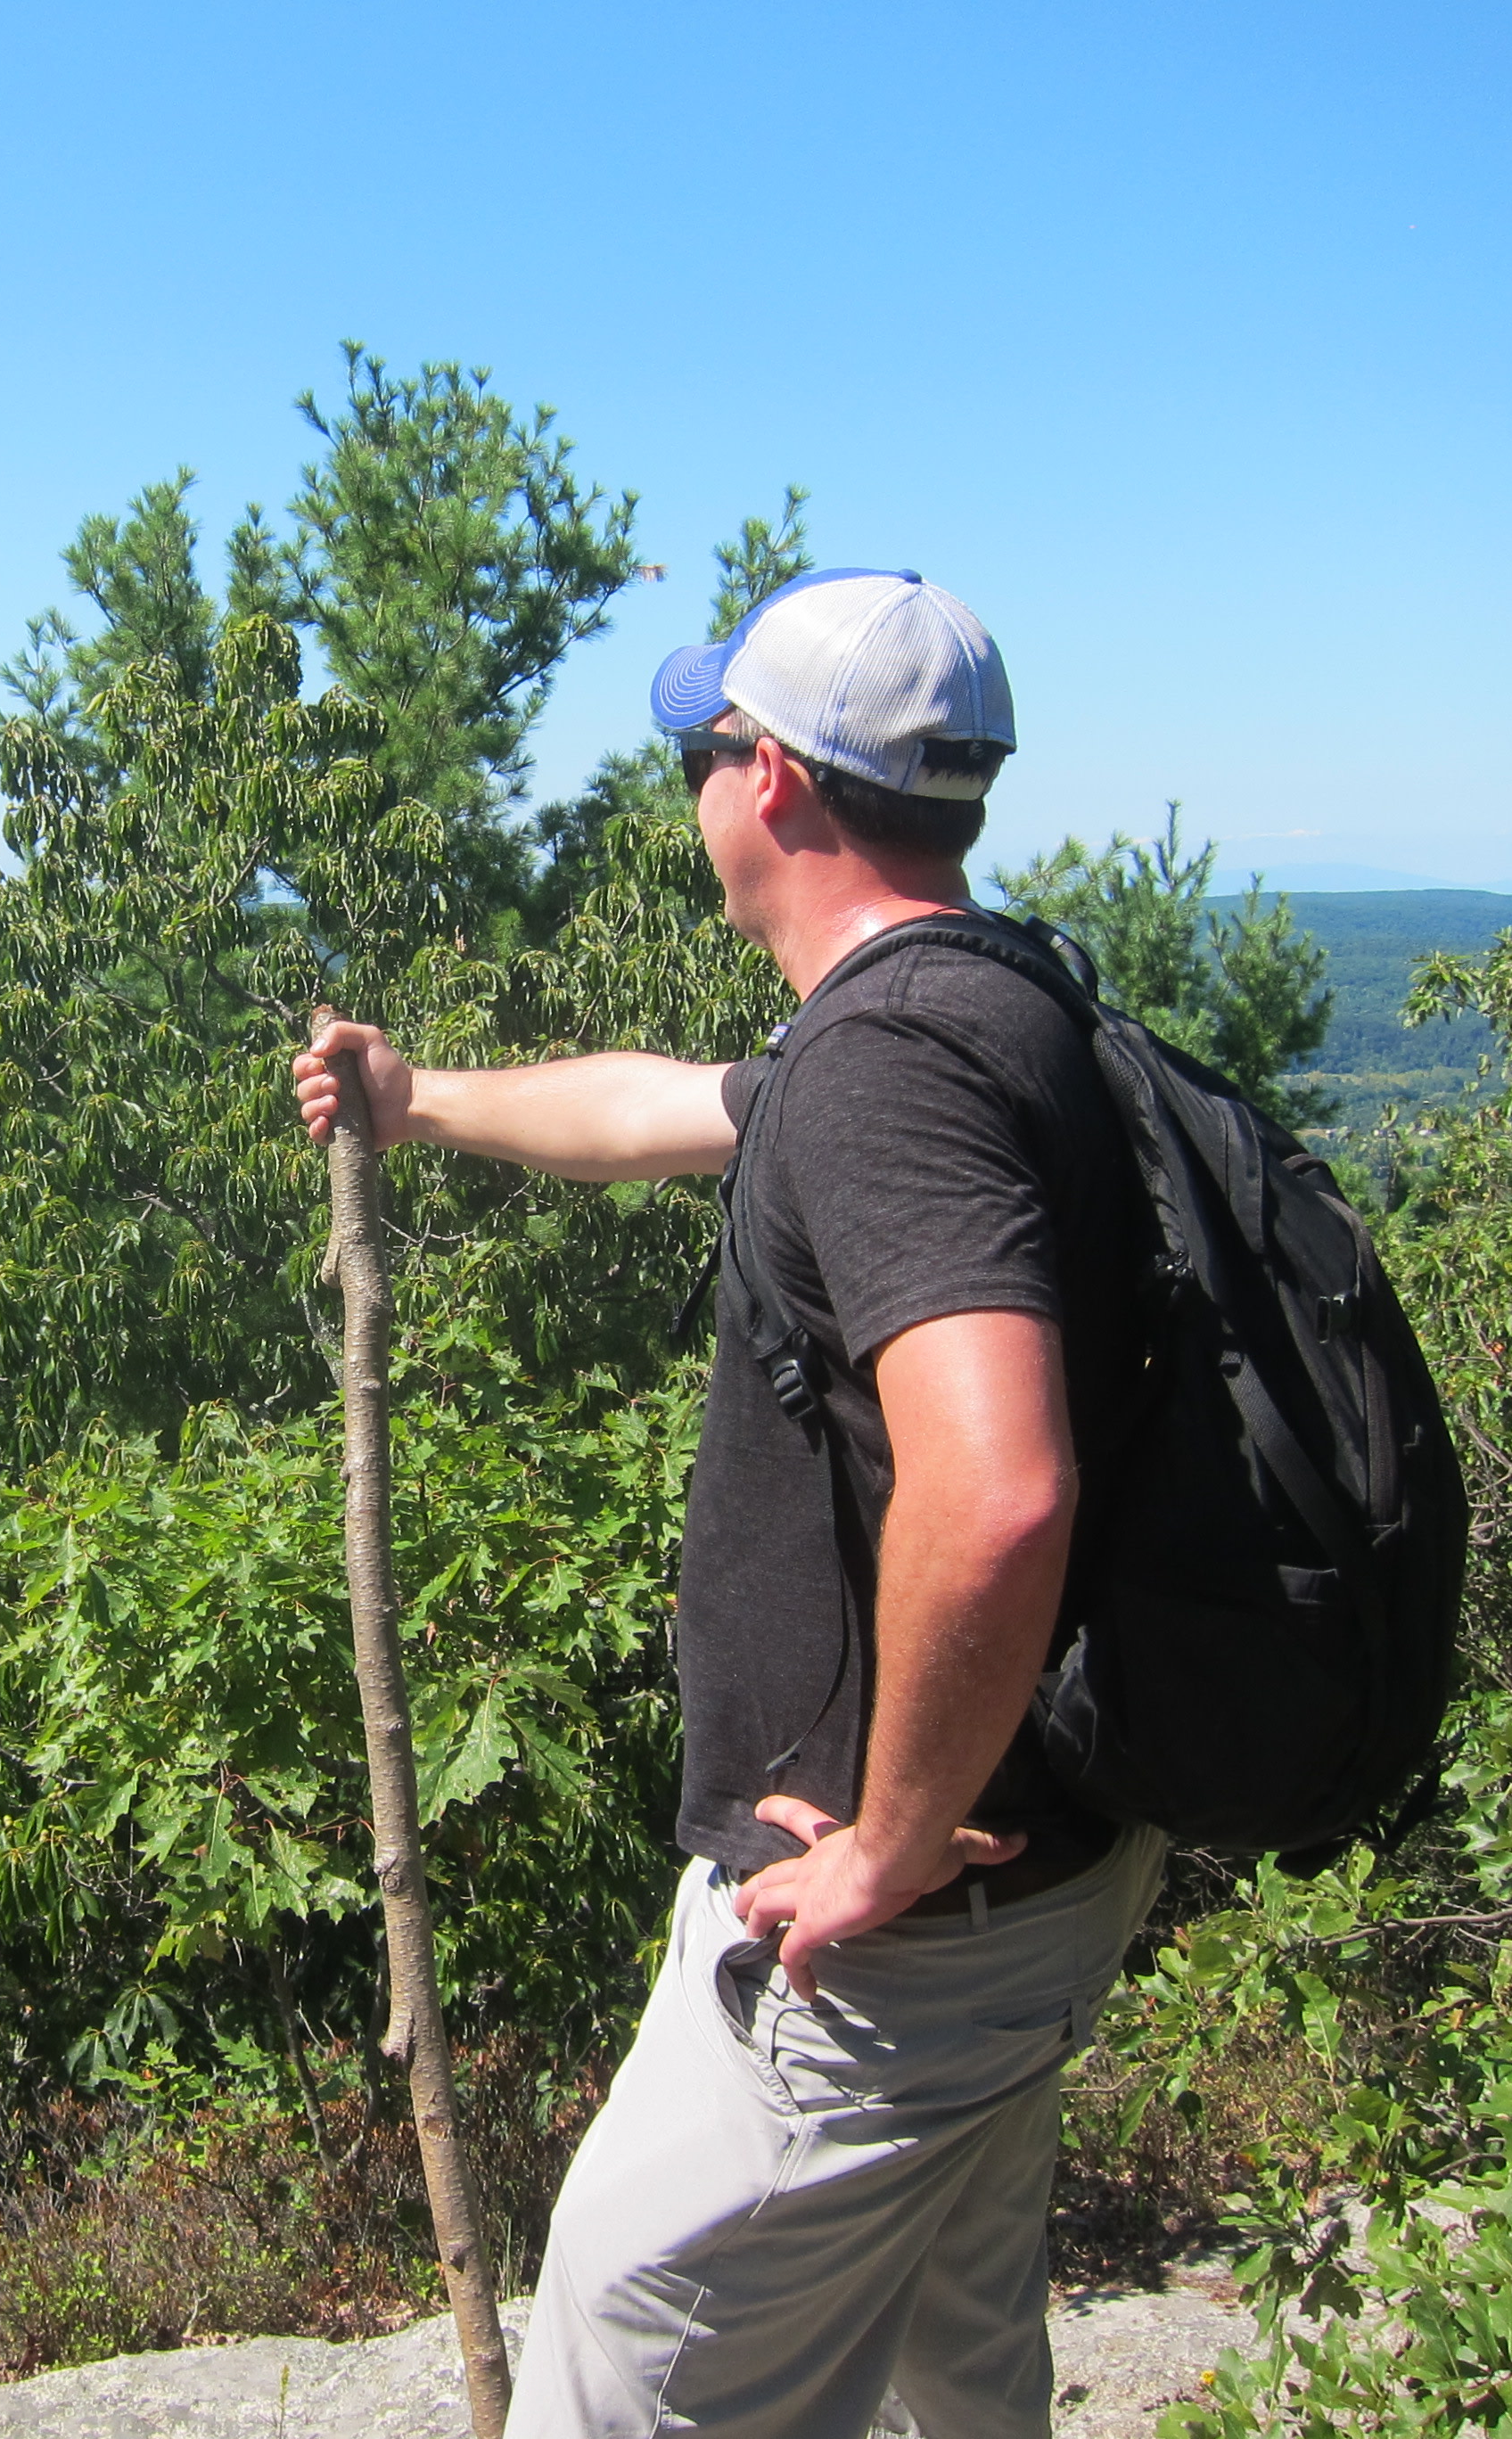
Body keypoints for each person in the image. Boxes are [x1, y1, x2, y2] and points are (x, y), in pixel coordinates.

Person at [292, 569, 1167, 2439]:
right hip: (1030, 1897)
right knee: (956, 2365)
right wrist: (418, 1092)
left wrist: (886, 1840)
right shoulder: (994, 1008)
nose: (695, 786)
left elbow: (1000, 1488)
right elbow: (661, 1112)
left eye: (704, 749)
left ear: (768, 782)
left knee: (630, 2359)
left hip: (887, 1946)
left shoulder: (887, 1075)